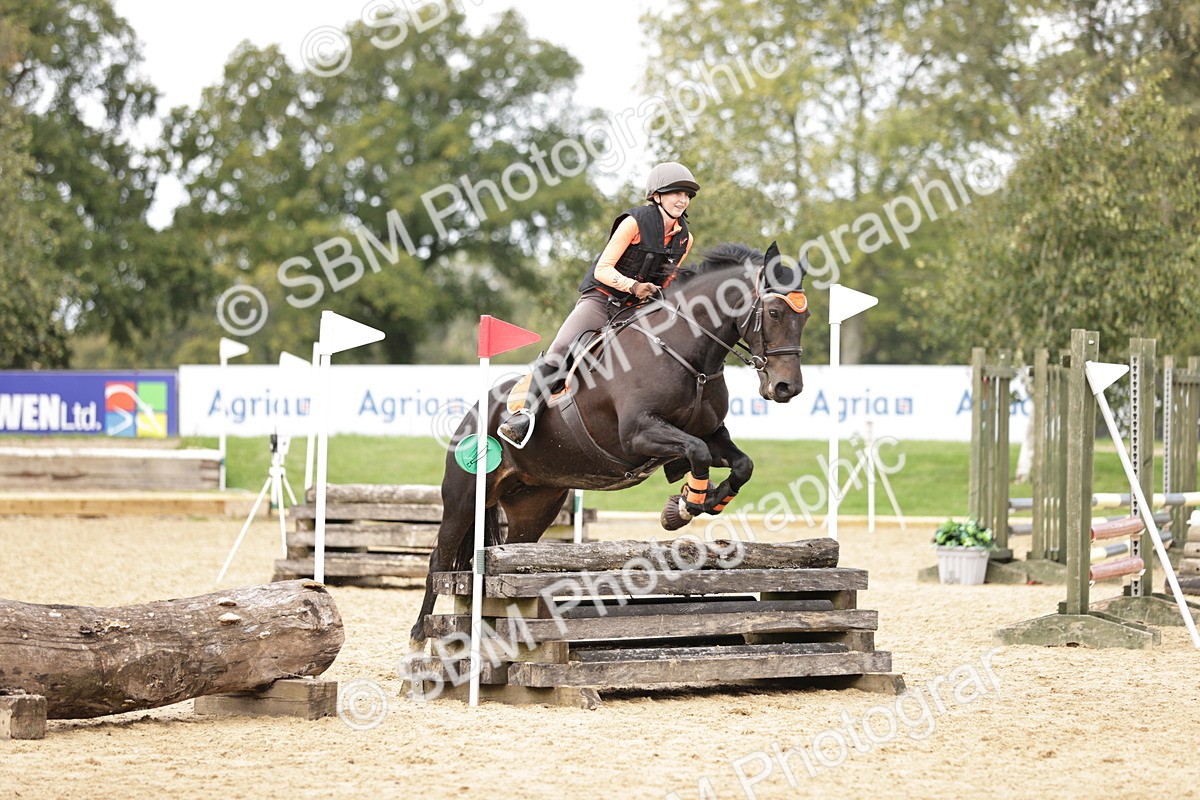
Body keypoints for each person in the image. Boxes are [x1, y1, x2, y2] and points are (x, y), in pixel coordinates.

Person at [497, 161, 700, 447]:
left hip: (636, 310)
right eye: (675, 193)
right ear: (656, 196)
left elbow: (666, 281)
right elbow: (602, 269)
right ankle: (522, 416)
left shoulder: (684, 239)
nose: (682, 200)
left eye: (687, 195)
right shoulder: (634, 222)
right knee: (561, 348)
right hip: (601, 300)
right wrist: (633, 286)